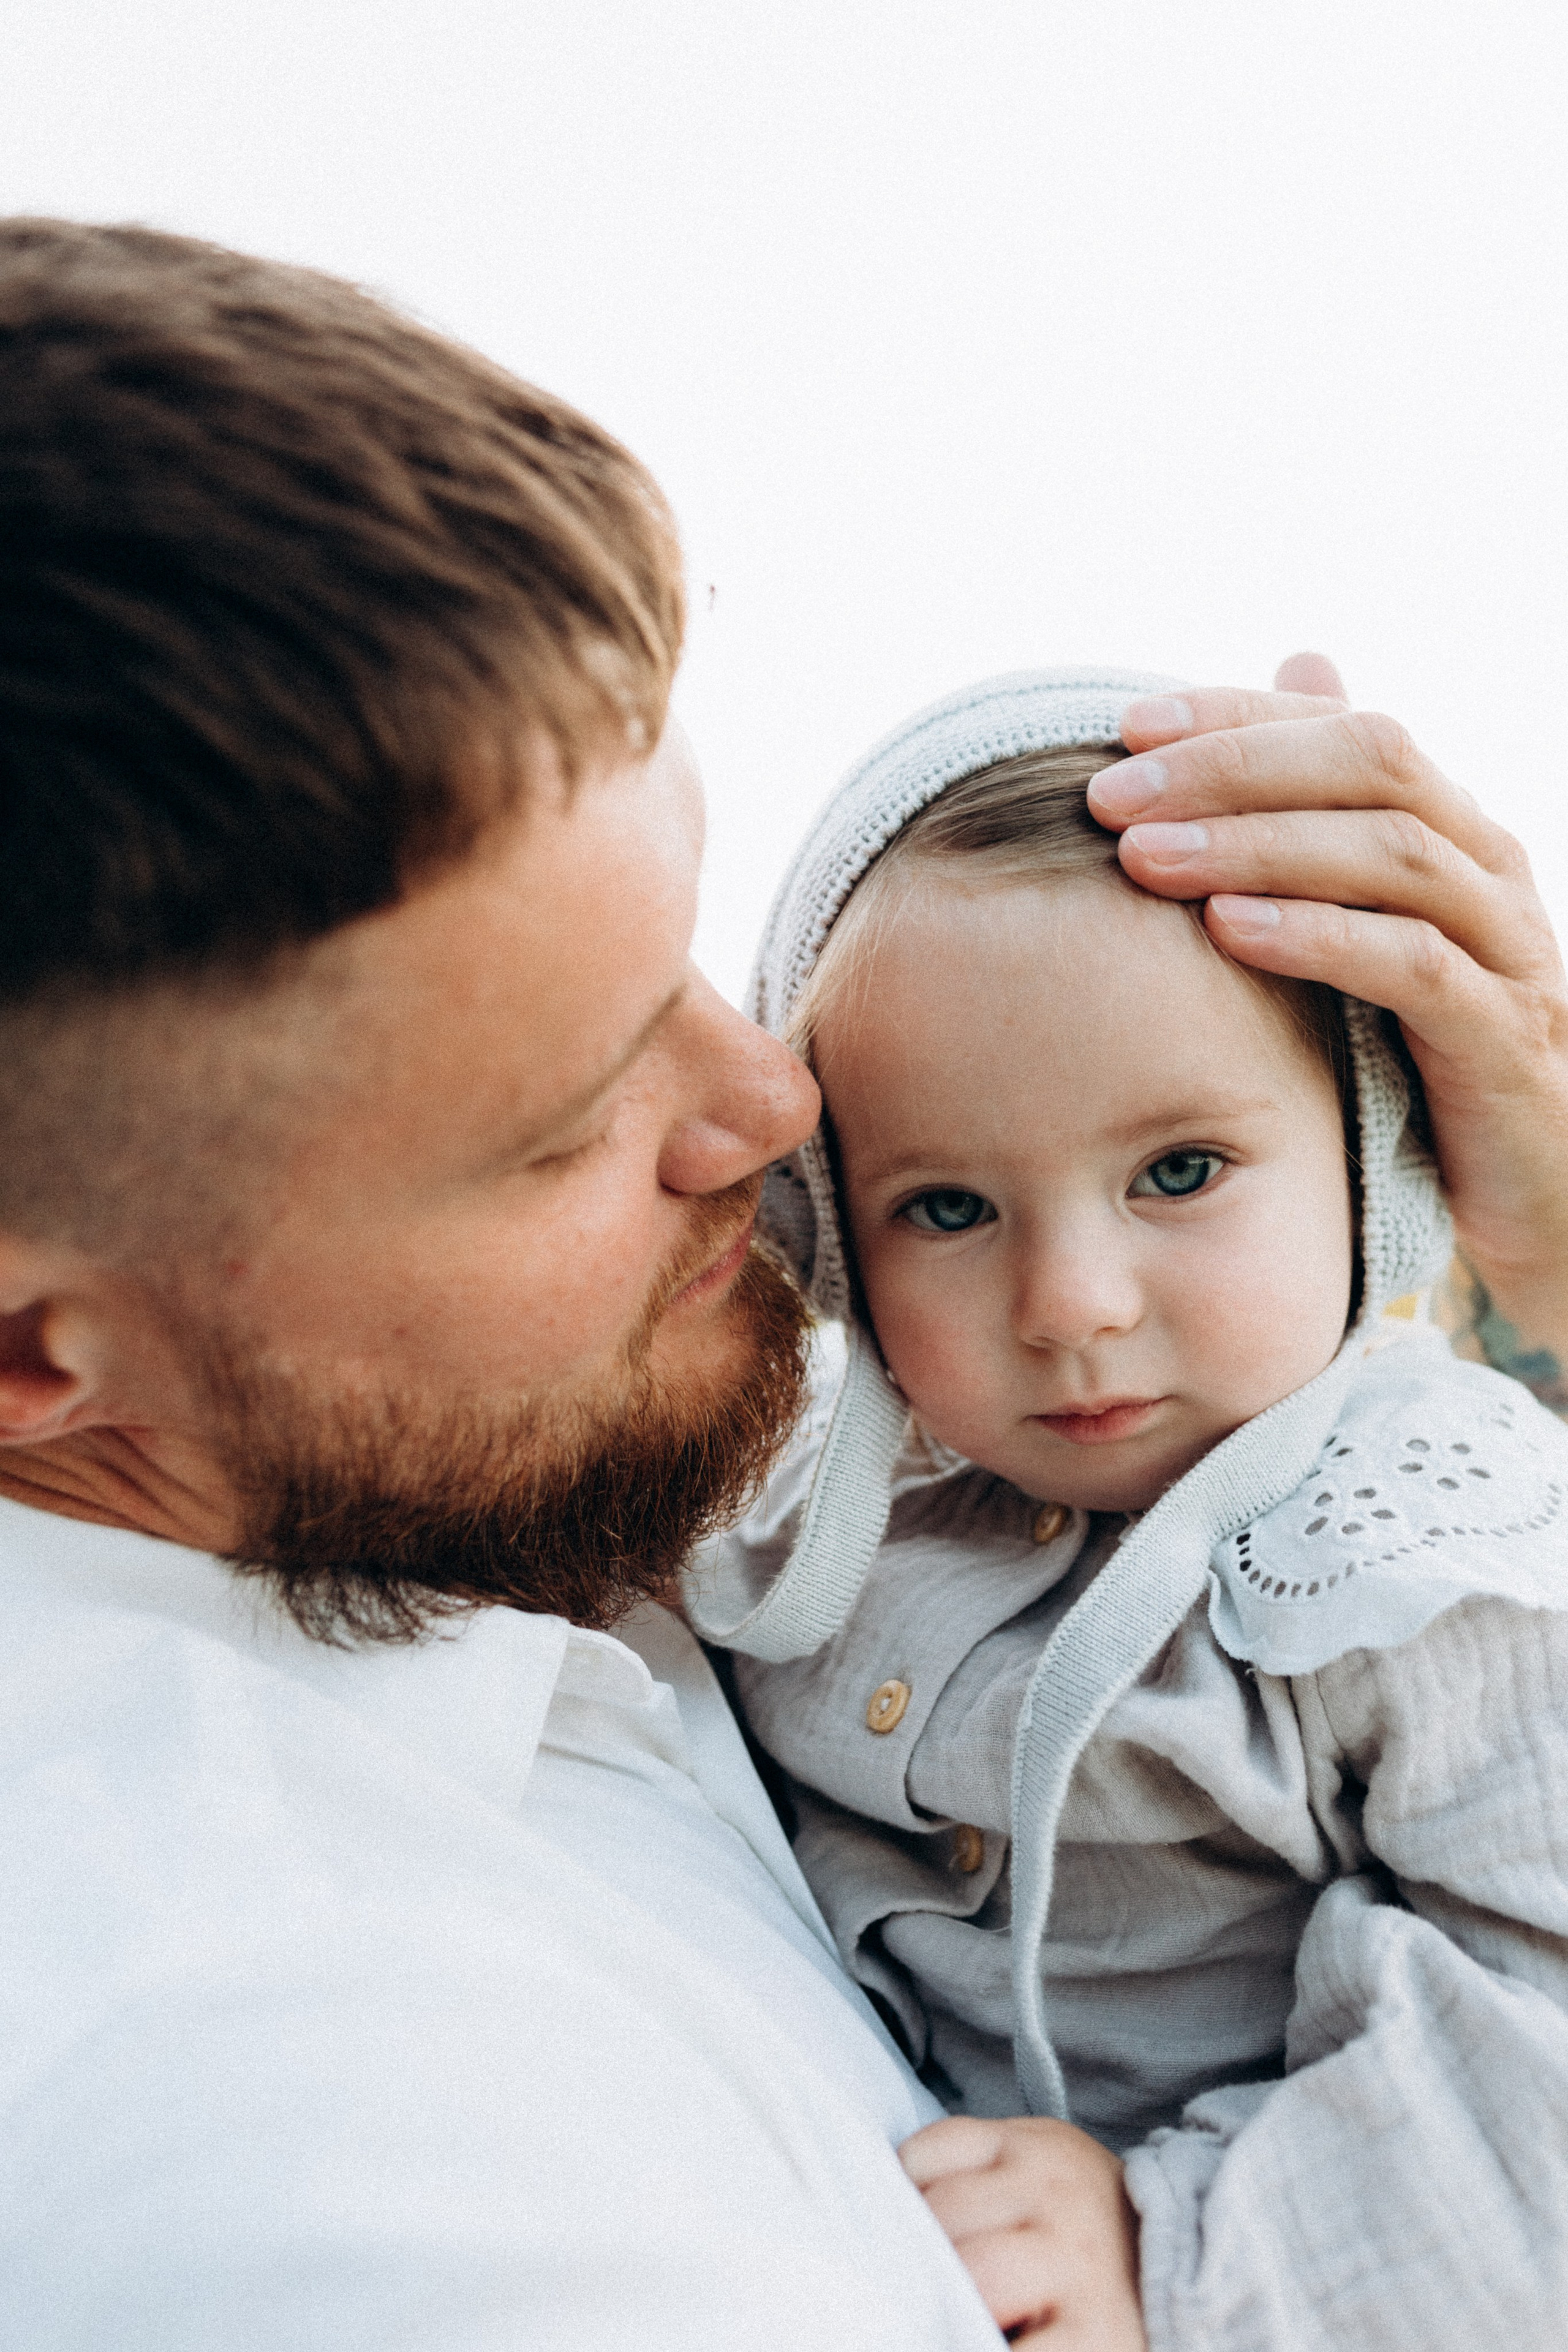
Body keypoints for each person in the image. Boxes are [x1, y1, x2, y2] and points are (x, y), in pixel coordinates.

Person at [0, 221, 1564, 2349]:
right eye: (566, 1117)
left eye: (688, 957)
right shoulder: (353, 2170)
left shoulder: (504, 1484)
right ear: (30, 1346)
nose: (776, 1104)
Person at [691, 670, 1568, 2346]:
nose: (1071, 1304)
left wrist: (1175, 2245)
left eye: (1179, 1172)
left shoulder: (1434, 1545)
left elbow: (1542, 2051)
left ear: (1370, 1152)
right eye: (947, 1207)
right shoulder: (808, 1498)